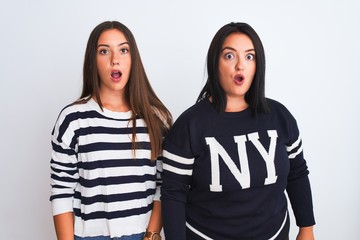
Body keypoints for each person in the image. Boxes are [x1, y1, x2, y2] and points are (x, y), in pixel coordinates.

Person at [161, 22, 315, 240]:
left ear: (257, 65)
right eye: (230, 56)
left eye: (249, 57)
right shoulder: (189, 125)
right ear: (215, 62)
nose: (240, 65)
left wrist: (306, 229)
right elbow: (173, 192)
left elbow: (297, 172)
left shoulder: (280, 116)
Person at [50, 21, 172, 240]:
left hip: (141, 235)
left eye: (123, 50)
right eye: (104, 51)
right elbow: (61, 191)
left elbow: (164, 186)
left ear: (133, 59)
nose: (115, 59)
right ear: (92, 61)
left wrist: (151, 235)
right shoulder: (73, 119)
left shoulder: (156, 119)